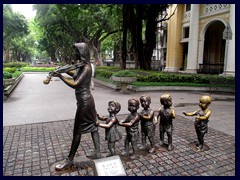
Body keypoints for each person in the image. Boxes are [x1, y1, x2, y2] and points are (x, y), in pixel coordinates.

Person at [52, 42, 101, 171]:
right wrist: (64, 70)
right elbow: (75, 74)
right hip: (87, 101)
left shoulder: (86, 68)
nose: (74, 54)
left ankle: (69, 160)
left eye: (76, 52)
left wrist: (61, 76)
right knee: (93, 126)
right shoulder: (83, 66)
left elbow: (76, 84)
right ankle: (97, 152)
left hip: (85, 103)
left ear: (82, 53)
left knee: (77, 131)